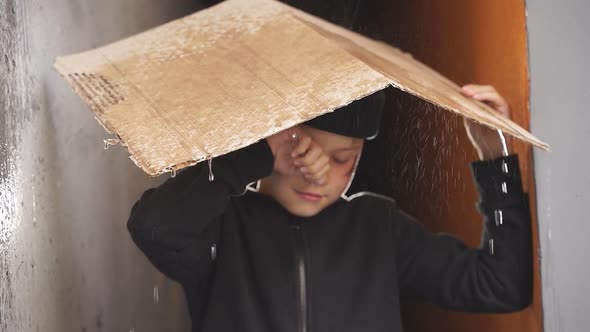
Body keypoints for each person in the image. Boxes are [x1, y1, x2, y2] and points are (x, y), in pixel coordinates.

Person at [127, 84, 532, 332]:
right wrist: (253, 158)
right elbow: (154, 227)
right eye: (299, 152)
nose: (317, 176)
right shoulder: (222, 228)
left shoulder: (379, 230)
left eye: (341, 160)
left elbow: (500, 287)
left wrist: (496, 161)